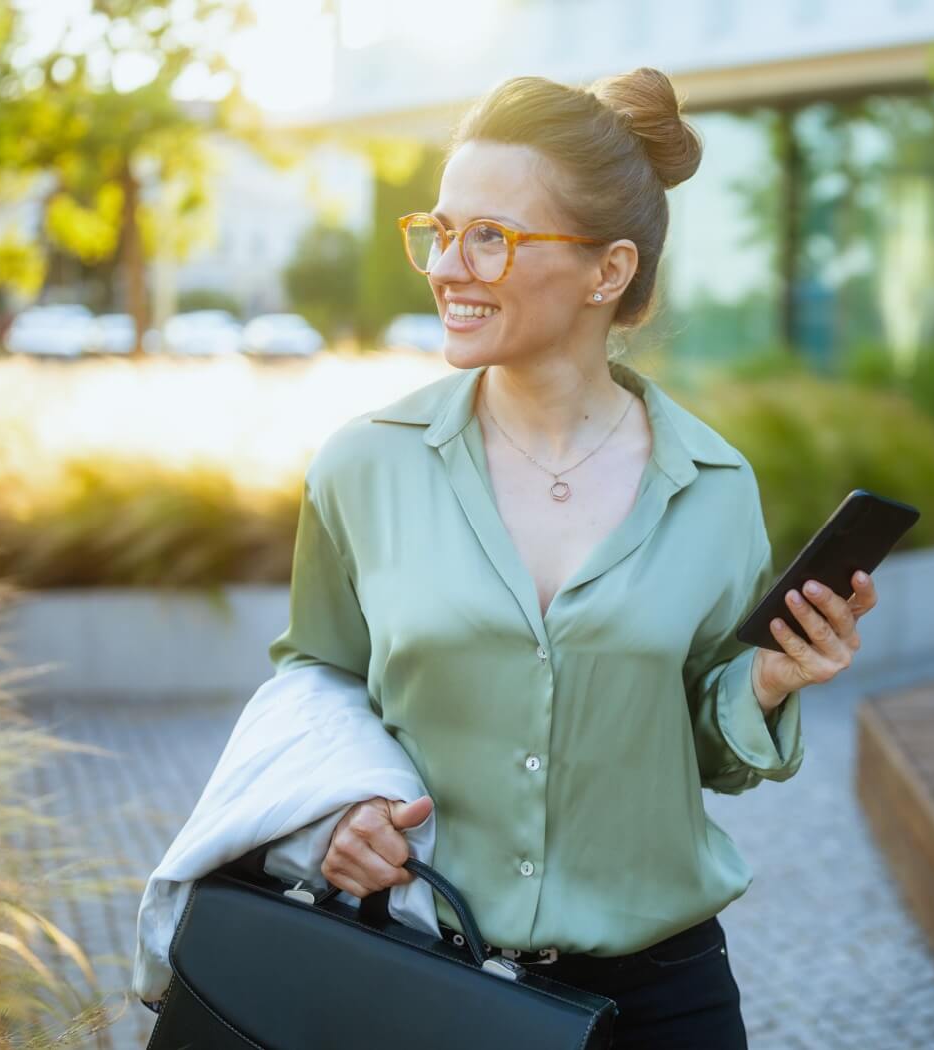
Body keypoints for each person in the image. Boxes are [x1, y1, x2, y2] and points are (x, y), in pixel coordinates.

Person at [271, 67, 878, 1049]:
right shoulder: (364, 464)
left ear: (607, 273)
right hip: (420, 980)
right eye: (441, 228)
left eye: (491, 236)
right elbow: (314, 681)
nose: (447, 266)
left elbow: (704, 749)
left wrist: (765, 679)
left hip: (662, 1000)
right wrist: (331, 820)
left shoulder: (713, 487)